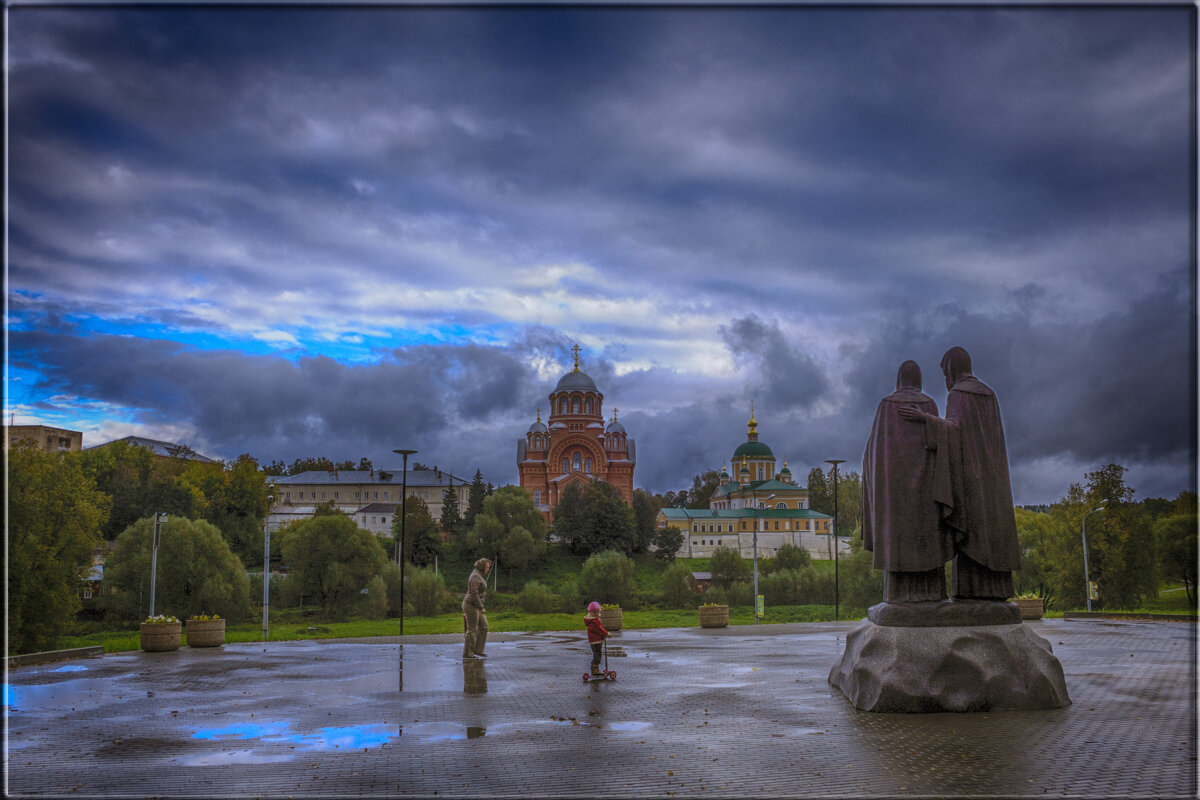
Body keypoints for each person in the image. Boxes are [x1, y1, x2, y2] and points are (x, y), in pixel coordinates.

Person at [898, 347, 1021, 600]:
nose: (945, 379)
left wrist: (925, 419)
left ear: (951, 370)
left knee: (972, 532)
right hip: (993, 476)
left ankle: (972, 594)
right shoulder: (989, 393)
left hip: (970, 477)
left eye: (945, 373)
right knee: (991, 529)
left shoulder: (958, 394)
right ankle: (996, 592)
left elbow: (954, 431)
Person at [862, 360, 954, 603]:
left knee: (898, 540)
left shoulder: (885, 406)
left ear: (899, 379)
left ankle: (898, 596)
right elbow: (940, 444)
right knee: (927, 537)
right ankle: (931, 595)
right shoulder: (929, 404)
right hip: (927, 490)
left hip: (895, 495)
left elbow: (873, 451)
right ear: (919, 380)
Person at [462, 558, 491, 660]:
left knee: (484, 626)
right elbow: (474, 595)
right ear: (482, 567)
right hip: (471, 605)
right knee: (472, 629)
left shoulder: (478, 575)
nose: (488, 569)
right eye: (487, 567)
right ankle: (468, 654)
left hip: (476, 605)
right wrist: (481, 607)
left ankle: (478, 650)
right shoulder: (475, 576)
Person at [583, 601, 609, 676]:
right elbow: (599, 629)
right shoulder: (594, 621)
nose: (596, 614)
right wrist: (606, 633)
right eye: (594, 612)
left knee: (597, 654)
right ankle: (594, 669)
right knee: (597, 655)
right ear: (590, 613)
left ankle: (596, 668)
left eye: (597, 612)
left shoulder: (593, 620)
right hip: (596, 640)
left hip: (595, 640)